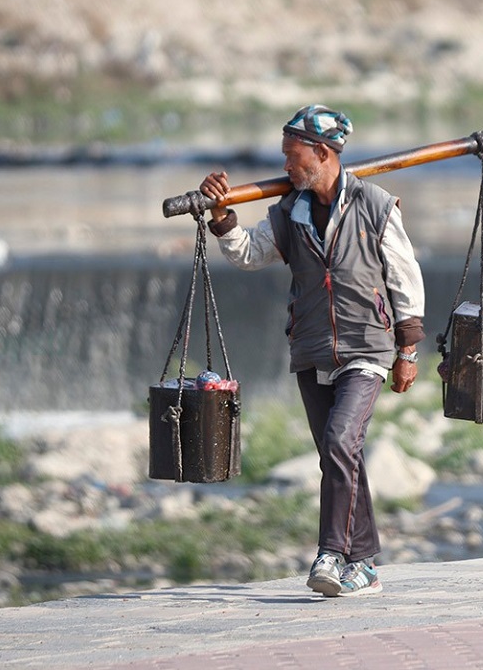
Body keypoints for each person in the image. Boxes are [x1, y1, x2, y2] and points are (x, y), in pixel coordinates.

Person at [198, 105, 425, 597]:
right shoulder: (288, 213)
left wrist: (408, 350)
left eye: (291, 155)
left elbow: (405, 278)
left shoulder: (376, 205)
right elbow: (249, 254)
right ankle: (364, 566)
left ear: (322, 154)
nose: (285, 165)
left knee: (342, 443)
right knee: (336, 454)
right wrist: (222, 217)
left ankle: (331, 554)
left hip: (367, 348)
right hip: (311, 349)